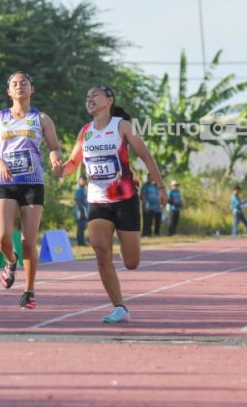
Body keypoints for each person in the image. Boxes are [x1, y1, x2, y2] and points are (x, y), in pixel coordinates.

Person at [61, 84, 167, 323]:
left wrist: (161, 186)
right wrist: (61, 169)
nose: (89, 99)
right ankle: (120, 307)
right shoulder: (85, 131)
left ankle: (125, 241)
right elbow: (72, 163)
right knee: (100, 252)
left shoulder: (122, 126)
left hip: (125, 199)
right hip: (98, 199)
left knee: (131, 262)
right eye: (86, 96)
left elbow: (146, 156)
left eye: (94, 95)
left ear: (109, 100)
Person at [0, 71, 64, 310]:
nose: (19, 86)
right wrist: (0, 163)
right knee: (2, 237)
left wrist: (55, 160)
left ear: (32, 89)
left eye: (24, 83)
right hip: (5, 182)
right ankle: (11, 261)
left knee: (28, 240)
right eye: (14, 84)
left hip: (32, 183)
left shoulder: (41, 119)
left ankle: (29, 291)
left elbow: (54, 148)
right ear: (9, 91)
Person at [74, 175, 88, 246]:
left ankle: (82, 241)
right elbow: (78, 201)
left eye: (85, 180)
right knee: (80, 226)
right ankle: (80, 242)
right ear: (79, 180)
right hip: (81, 210)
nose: (84, 182)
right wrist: (81, 211)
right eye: (82, 180)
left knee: (83, 226)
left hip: (84, 210)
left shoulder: (84, 189)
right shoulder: (79, 189)